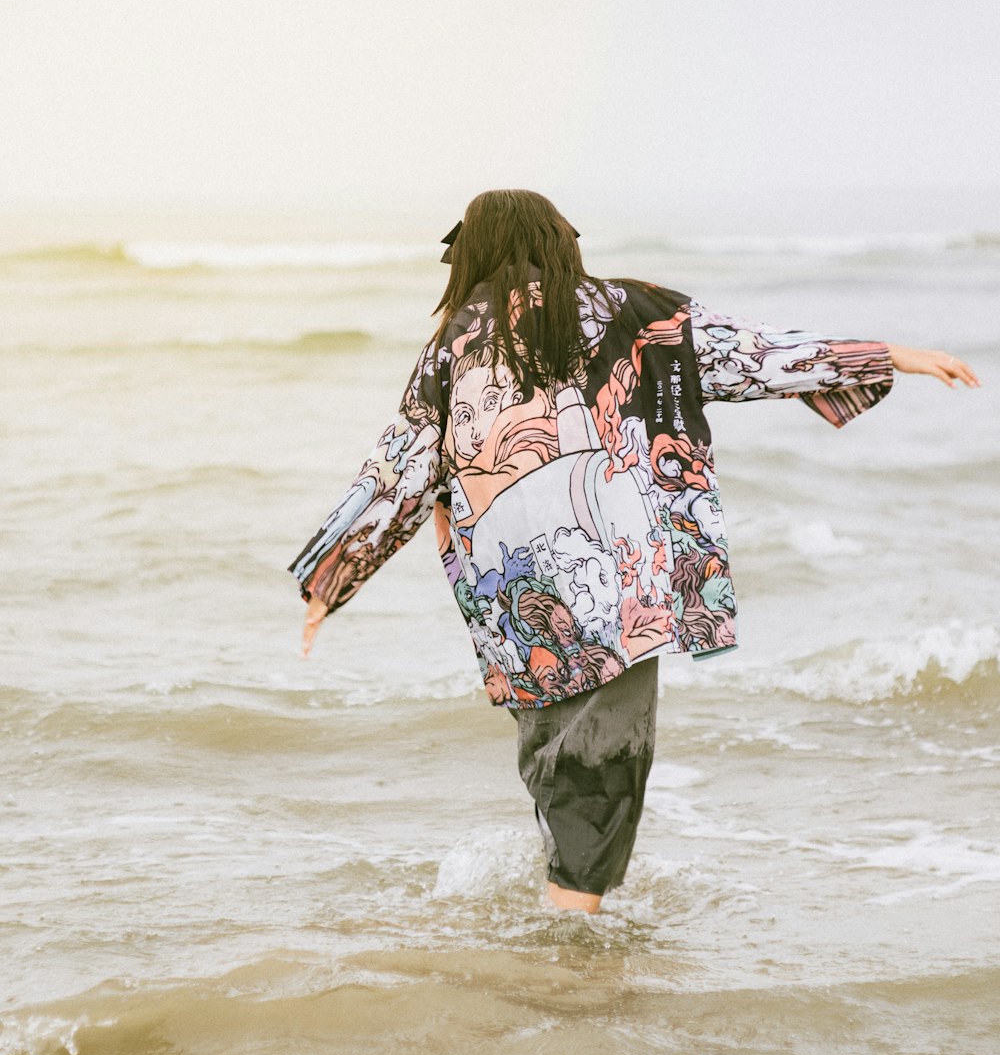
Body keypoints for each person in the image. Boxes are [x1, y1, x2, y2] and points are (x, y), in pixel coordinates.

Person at [288, 190, 981, 914]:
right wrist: (884, 354)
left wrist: (330, 584)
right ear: (560, 241)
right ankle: (572, 949)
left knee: (553, 752)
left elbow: (398, 470)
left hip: (517, 600)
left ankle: (560, 926)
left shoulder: (454, 346)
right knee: (605, 761)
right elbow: (753, 354)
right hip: (624, 588)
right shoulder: (637, 311)